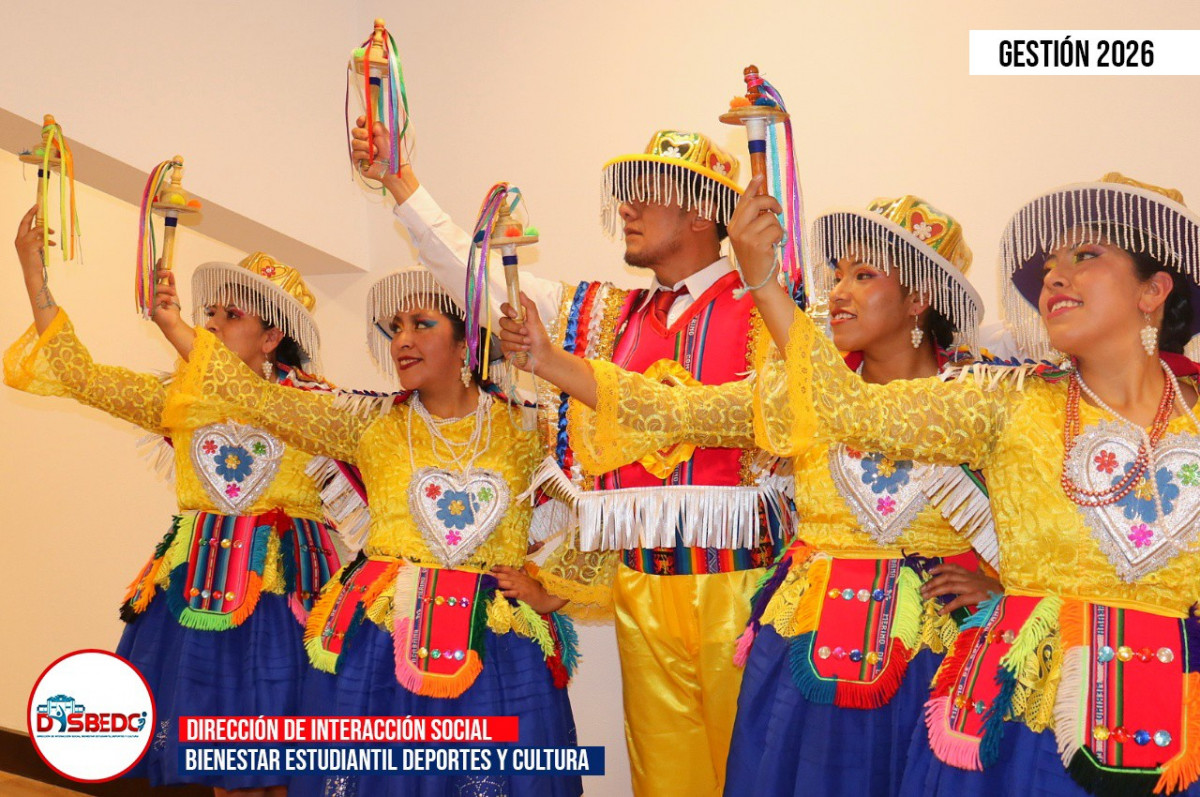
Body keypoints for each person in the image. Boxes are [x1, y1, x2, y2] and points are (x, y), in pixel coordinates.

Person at [499, 187, 1004, 795]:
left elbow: (1046, 518)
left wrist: (1003, 586)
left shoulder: (984, 399)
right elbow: (671, 410)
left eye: (863, 275)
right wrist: (549, 359)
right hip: (805, 652)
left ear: (919, 297)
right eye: (835, 274)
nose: (837, 291)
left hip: (933, 657)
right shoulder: (795, 394)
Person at [726, 173, 1200, 796]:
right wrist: (763, 281)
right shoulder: (1001, 401)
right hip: (1020, 732)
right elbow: (847, 409)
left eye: (1085, 257)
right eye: (1050, 266)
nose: (1055, 277)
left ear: (1154, 290)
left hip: (1178, 732)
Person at [354, 121, 790, 795]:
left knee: (758, 776)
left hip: (742, 583)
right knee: (665, 777)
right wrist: (399, 180)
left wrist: (564, 367)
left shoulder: (768, 312)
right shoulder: (605, 314)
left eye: (647, 192)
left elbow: (770, 420)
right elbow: (469, 273)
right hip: (641, 583)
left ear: (705, 209)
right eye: (627, 194)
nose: (627, 208)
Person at [161, 266, 582, 797]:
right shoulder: (365, 421)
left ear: (468, 343)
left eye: (422, 324)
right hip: (379, 645)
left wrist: (554, 592)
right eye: (395, 326)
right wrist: (175, 325)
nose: (402, 340)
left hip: (495, 647)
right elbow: (252, 394)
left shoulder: (531, 428)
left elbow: (604, 506)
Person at [5, 205, 344, 796]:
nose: (211, 324)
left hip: (289, 596)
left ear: (272, 337)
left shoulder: (318, 405)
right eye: (208, 313)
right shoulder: (181, 401)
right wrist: (34, 273)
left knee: (287, 766)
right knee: (225, 763)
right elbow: (80, 374)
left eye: (230, 314)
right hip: (203, 589)